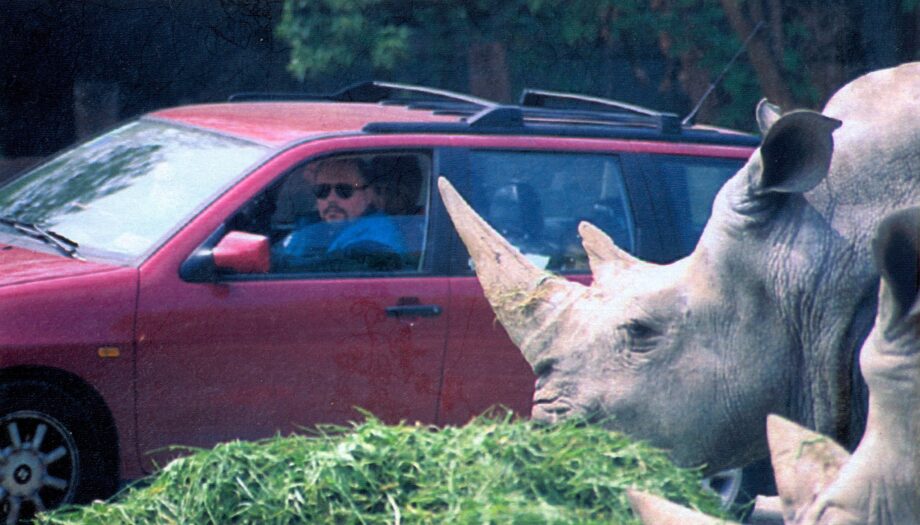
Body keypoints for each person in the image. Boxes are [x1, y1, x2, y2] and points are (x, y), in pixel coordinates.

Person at [271, 158, 407, 272]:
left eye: (344, 190)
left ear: (369, 194)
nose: (331, 198)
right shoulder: (311, 227)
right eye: (322, 190)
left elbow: (331, 270)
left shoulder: (376, 237)